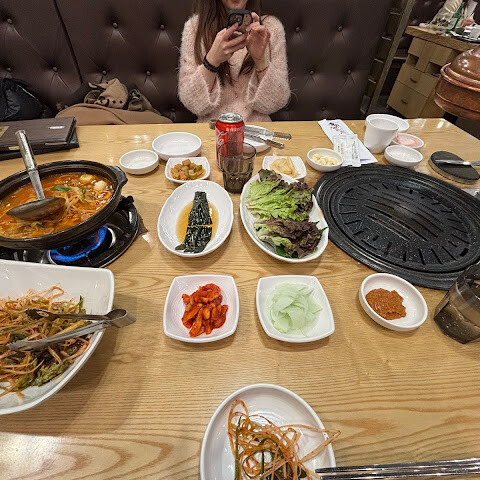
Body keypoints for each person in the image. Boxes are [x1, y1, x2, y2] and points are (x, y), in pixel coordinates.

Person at [178, 0, 290, 122]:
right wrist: (212, 61)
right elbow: (192, 103)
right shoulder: (195, 27)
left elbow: (276, 102)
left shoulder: (271, 28)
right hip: (212, 128)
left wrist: (261, 61)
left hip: (256, 129)